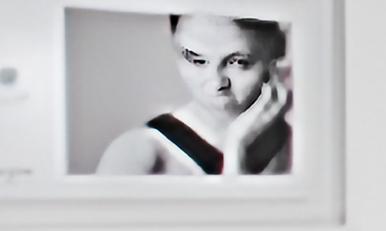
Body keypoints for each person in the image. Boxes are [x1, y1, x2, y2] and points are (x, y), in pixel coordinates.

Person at [95, 12, 291, 175]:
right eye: (198, 60)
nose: (216, 82)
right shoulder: (136, 153)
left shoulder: (300, 143)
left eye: (238, 62)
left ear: (277, 60)